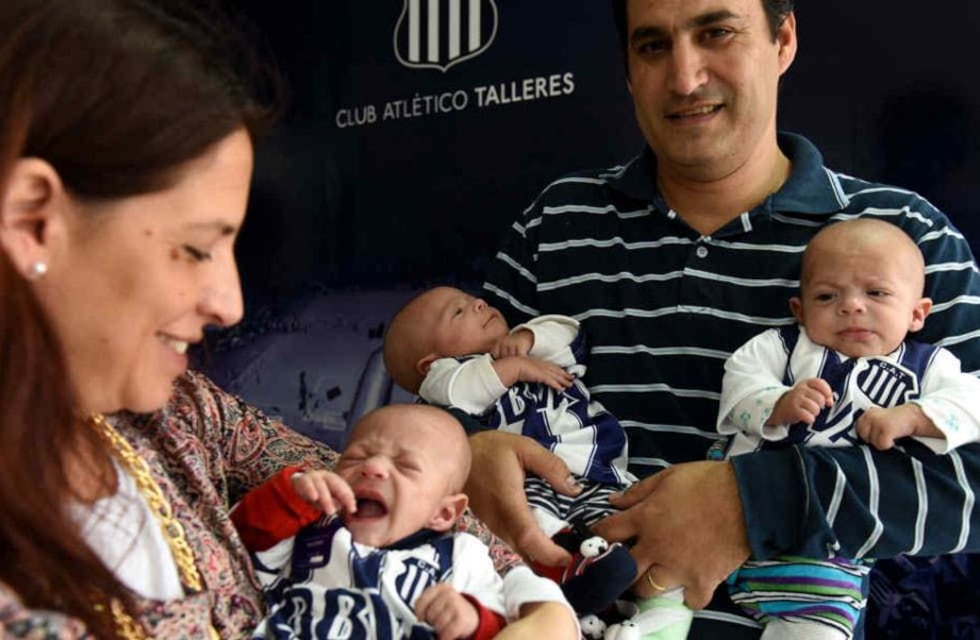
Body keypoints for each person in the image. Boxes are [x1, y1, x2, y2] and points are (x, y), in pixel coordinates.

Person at [0, 2, 575, 639]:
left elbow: (405, 493)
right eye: (195, 247)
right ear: (33, 221)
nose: (229, 305)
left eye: (234, 248)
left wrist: (537, 608)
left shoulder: (179, 412)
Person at [468, 0, 980, 637]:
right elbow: (445, 406)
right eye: (653, 46)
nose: (685, 78)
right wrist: (466, 453)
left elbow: (971, 483)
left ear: (782, 39)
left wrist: (751, 501)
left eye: (716, 32)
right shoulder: (556, 225)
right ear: (627, 68)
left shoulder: (906, 238)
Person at [716, 218, 980, 639]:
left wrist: (914, 416)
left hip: (819, 551)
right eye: (826, 296)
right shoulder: (782, 347)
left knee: (817, 626)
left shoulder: (929, 367)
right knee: (659, 579)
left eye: (876, 293)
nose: (852, 305)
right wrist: (776, 403)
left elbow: (973, 403)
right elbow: (740, 378)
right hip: (719, 510)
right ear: (799, 310)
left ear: (917, 313)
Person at [383, 286, 690, 634]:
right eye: (458, 312)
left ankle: (657, 618)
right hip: (528, 481)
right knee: (538, 525)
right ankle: (567, 576)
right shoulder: (446, 381)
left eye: (474, 301)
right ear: (430, 363)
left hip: (600, 473)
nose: (479, 303)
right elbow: (452, 391)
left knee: (645, 538)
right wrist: (512, 368)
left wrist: (528, 338)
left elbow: (570, 335)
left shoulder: (528, 344)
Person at [231, 403, 576, 639]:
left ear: (444, 513)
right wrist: (291, 494)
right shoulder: (309, 527)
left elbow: (507, 626)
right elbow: (237, 540)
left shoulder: (463, 557)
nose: (372, 467)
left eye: (406, 466)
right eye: (355, 457)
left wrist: (473, 621)